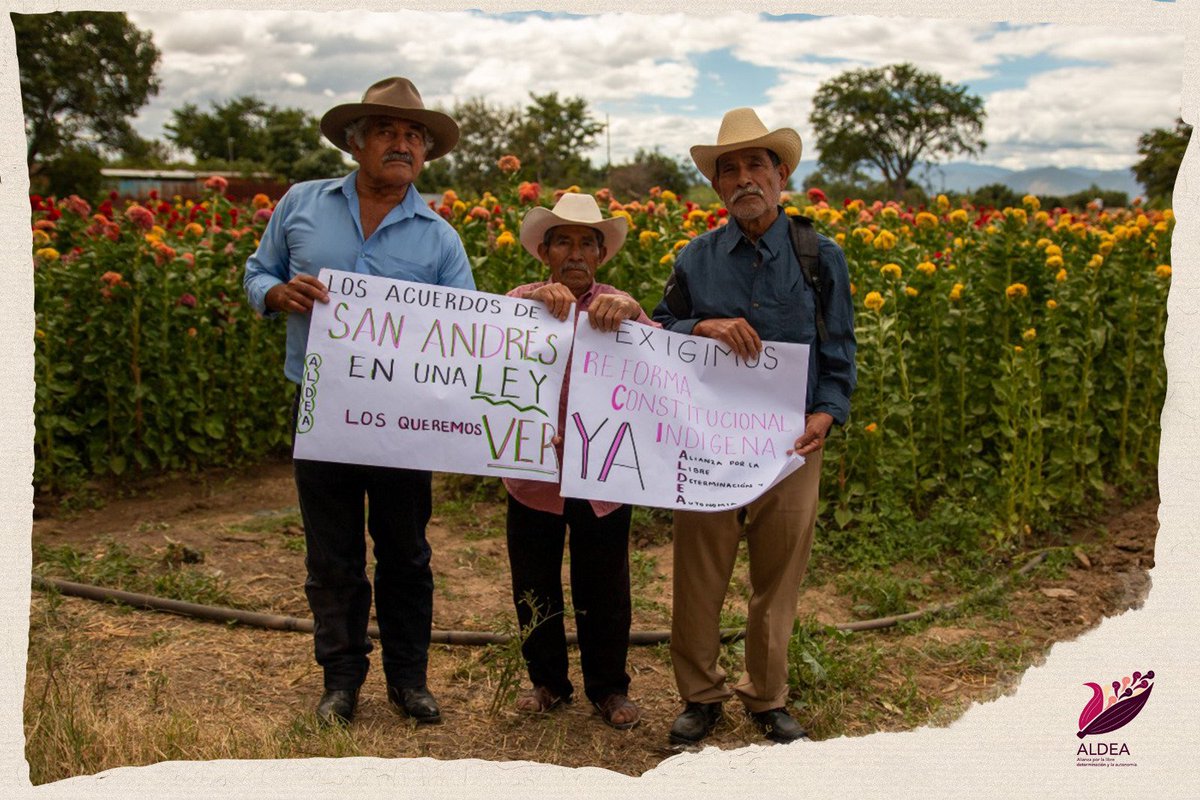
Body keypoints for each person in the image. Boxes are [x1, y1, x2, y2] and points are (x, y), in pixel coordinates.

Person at [243, 77, 473, 727]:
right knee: (331, 551)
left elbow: (466, 338)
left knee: (406, 549)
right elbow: (257, 271)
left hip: (403, 420)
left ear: (425, 154)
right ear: (355, 143)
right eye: (386, 131)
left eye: (413, 136)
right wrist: (274, 293)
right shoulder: (301, 205)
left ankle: (409, 680)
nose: (401, 144)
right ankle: (341, 680)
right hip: (321, 408)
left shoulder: (439, 238)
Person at [652, 108, 857, 745]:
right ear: (716, 186)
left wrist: (827, 412)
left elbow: (840, 349)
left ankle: (767, 697)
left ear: (781, 174)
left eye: (756, 165)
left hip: (792, 444)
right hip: (709, 443)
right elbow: (659, 330)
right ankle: (701, 694)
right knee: (699, 568)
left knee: (779, 572)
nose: (744, 178)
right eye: (730, 169)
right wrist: (700, 327)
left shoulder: (820, 258)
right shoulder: (698, 258)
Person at [502, 193, 656, 730]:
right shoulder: (521, 301)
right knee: (533, 581)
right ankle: (546, 683)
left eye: (586, 242)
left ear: (600, 255)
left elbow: (663, 371)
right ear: (544, 251)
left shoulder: (622, 306)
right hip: (533, 475)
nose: (574, 252)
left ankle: (609, 690)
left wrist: (637, 316)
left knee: (605, 587)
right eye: (562, 241)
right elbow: (487, 356)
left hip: (602, 476)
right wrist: (529, 306)